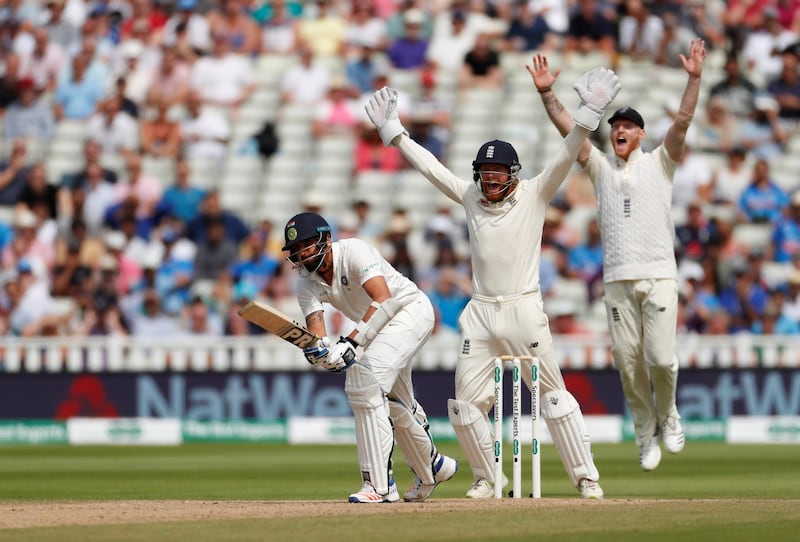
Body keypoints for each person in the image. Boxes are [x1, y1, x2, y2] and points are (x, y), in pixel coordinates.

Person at [364, 63, 622, 499]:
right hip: (480, 311)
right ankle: (487, 478)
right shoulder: (470, 196)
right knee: (464, 409)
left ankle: (586, 478)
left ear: (513, 174)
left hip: (524, 308)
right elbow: (433, 170)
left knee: (555, 400)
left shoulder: (536, 193)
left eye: (498, 174)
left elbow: (566, 154)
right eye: (485, 173)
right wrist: (395, 132)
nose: (490, 180)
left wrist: (588, 114)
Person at [531, 38, 707, 471]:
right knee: (629, 366)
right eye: (615, 126)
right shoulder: (599, 165)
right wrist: (546, 92)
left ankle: (669, 416)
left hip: (660, 274)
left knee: (661, 359)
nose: (620, 130)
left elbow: (683, 121)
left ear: (641, 134)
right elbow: (568, 130)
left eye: (628, 126)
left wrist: (694, 79)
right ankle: (645, 434)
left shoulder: (660, 162)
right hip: (617, 282)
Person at [282, 211, 457, 503]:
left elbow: (384, 299)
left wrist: (351, 342)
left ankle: (379, 485)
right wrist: (320, 354)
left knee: (362, 383)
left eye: (307, 244)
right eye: (296, 250)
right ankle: (433, 468)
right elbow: (317, 331)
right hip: (376, 330)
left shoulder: (354, 250)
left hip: (409, 311)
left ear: (326, 238)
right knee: (397, 405)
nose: (302, 253)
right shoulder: (306, 283)